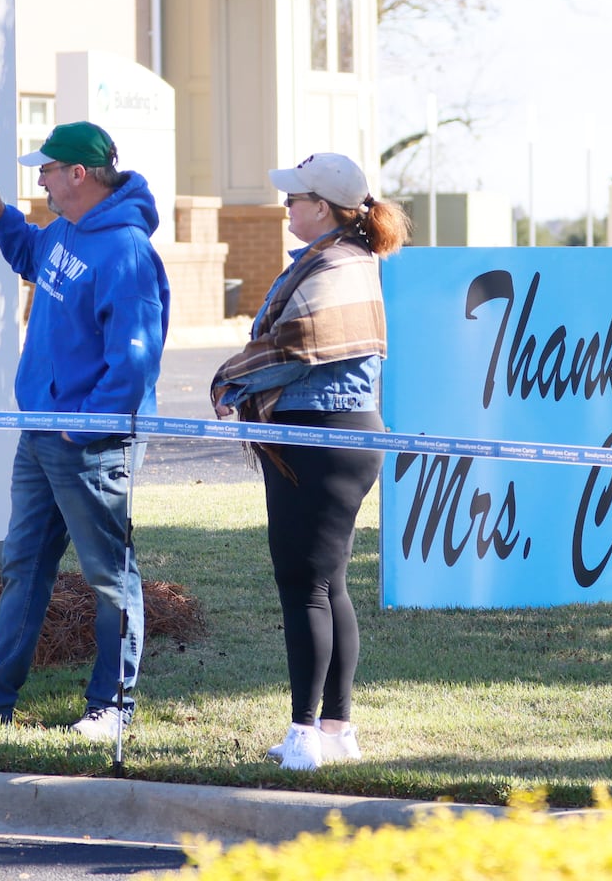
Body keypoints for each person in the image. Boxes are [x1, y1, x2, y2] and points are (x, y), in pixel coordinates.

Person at [0, 122, 170, 740]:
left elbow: (134, 358)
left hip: (88, 446)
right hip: (41, 436)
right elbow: (32, 254)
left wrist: (84, 430)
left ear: (79, 175)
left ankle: (112, 708)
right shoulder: (66, 233)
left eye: (48, 169)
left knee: (110, 578)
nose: (41, 178)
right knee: (23, 567)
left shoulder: (126, 248)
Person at [210, 152, 409, 771]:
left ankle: (304, 737)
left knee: (303, 588)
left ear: (323, 207)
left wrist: (229, 380)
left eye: (295, 199)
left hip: (319, 435)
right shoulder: (343, 260)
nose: (286, 207)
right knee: (326, 584)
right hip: (334, 434)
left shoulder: (336, 265)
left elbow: (298, 346)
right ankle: (335, 728)